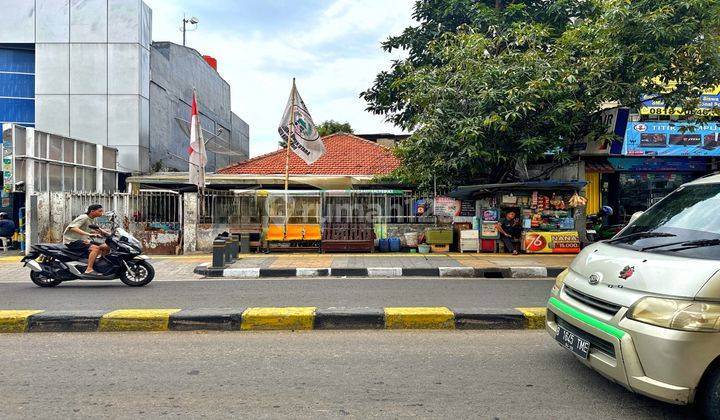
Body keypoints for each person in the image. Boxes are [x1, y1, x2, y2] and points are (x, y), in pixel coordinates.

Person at [63, 204, 110, 277]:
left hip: (82, 239)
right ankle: (89, 269)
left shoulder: (92, 218)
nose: (102, 213)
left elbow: (96, 228)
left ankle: (101, 265)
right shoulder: (84, 217)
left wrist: (108, 233)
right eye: (100, 211)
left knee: (107, 246)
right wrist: (89, 234)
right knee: (95, 248)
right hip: (72, 241)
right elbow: (73, 228)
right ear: (92, 211)